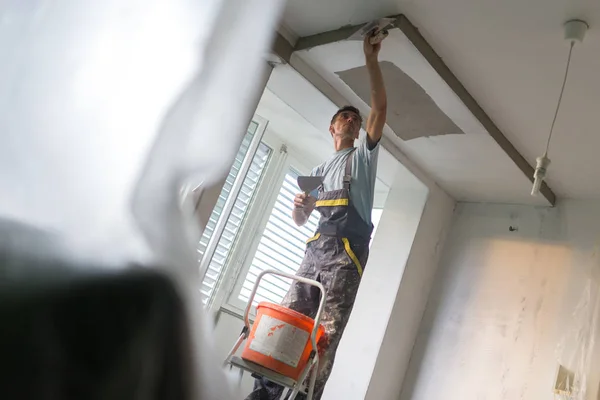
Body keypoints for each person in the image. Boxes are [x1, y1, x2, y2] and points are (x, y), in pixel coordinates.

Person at [246, 33, 387, 400]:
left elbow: (380, 109)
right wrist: (299, 207)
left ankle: (305, 397)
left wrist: (370, 60)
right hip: (313, 254)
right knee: (286, 323)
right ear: (332, 127)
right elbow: (298, 219)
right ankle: (265, 392)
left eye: (356, 117)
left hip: (345, 257)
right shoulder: (315, 172)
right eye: (345, 116)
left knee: (324, 336)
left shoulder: (362, 160)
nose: (353, 119)